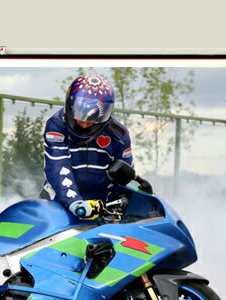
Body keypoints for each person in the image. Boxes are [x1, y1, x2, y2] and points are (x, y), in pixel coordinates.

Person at [41, 74, 152, 219]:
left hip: (100, 209)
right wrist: (76, 204)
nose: (84, 124)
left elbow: (124, 177)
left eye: (92, 118)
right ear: (70, 105)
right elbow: (58, 166)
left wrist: (140, 195)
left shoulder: (119, 135)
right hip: (57, 202)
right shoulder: (56, 125)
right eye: (79, 114)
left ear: (105, 113)